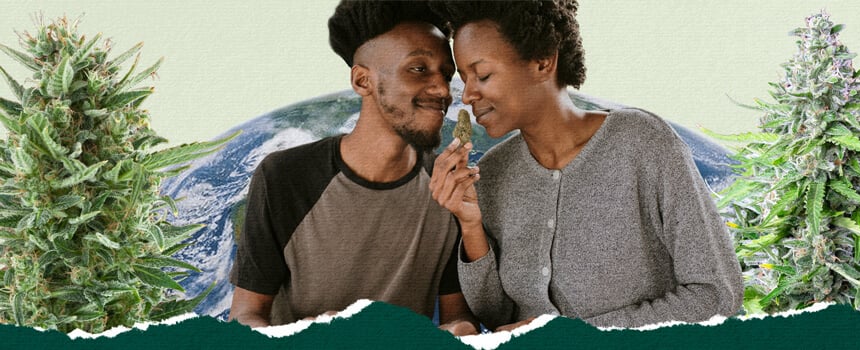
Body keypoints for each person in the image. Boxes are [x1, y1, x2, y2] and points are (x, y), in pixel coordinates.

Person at [428, 0, 743, 330]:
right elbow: (497, 317)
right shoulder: (491, 173)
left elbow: (716, 295)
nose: (467, 96)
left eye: (483, 75)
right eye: (464, 78)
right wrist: (471, 224)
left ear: (542, 61)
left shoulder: (642, 144)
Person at [228, 1, 477, 336]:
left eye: (446, 75)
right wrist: (305, 333)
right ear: (363, 81)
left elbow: (457, 319)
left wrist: (458, 332)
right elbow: (244, 317)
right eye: (418, 69)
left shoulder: (447, 188)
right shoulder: (284, 177)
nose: (442, 90)